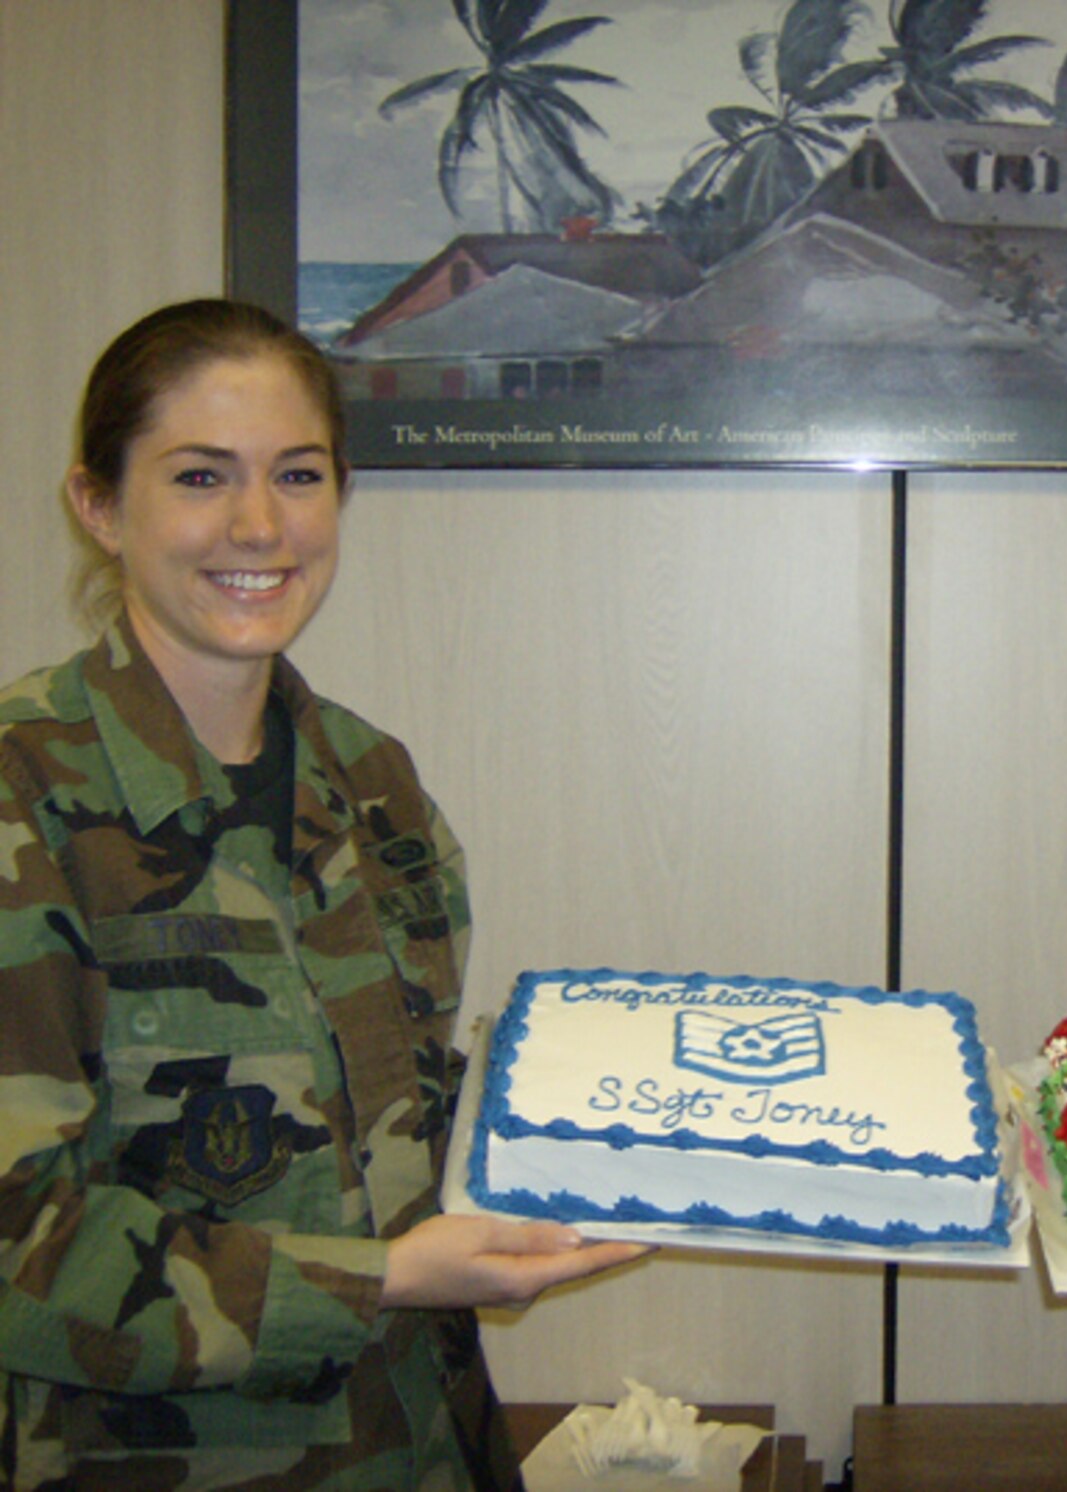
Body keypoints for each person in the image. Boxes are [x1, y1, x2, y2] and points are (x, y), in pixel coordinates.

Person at [0, 300, 646, 1490]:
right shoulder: (22, 794)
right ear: (98, 505)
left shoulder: (371, 780)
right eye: (200, 475)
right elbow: (19, 1254)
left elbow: (407, 1124)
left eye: (297, 475)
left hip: (420, 1442)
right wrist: (385, 1276)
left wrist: (660, 1141)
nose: (259, 524)